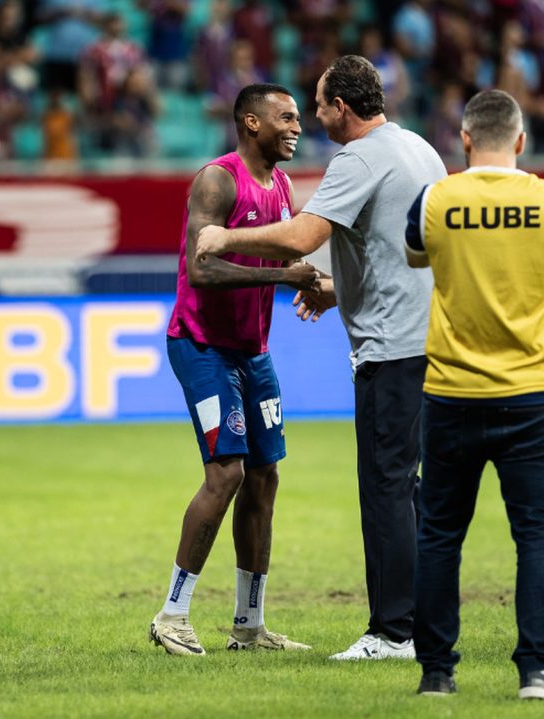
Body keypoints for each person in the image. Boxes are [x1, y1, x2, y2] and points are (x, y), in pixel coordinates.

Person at [196, 55, 447, 661]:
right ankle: (425, 621)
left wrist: (226, 236)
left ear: (341, 106)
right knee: (409, 489)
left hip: (390, 349)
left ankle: (392, 633)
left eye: (317, 104)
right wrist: (341, 290)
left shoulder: (359, 158)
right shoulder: (420, 149)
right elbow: (406, 246)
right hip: (432, 340)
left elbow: (303, 235)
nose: (310, 116)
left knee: (385, 490)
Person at [403, 89, 544, 700]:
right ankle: (537, 671)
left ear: (465, 139)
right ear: (521, 140)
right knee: (538, 535)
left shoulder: (435, 199)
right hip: (536, 393)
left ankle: (436, 674)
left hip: (451, 392)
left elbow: (416, 255)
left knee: (439, 535)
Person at [149, 82, 319, 657]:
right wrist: (283, 277)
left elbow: (289, 253)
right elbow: (202, 270)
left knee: (265, 476)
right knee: (226, 474)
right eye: (286, 117)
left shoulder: (281, 185)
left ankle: (249, 625)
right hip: (201, 346)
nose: (297, 127)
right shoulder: (217, 180)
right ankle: (172, 615)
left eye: (298, 118)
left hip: (253, 350)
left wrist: (317, 282)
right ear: (251, 122)